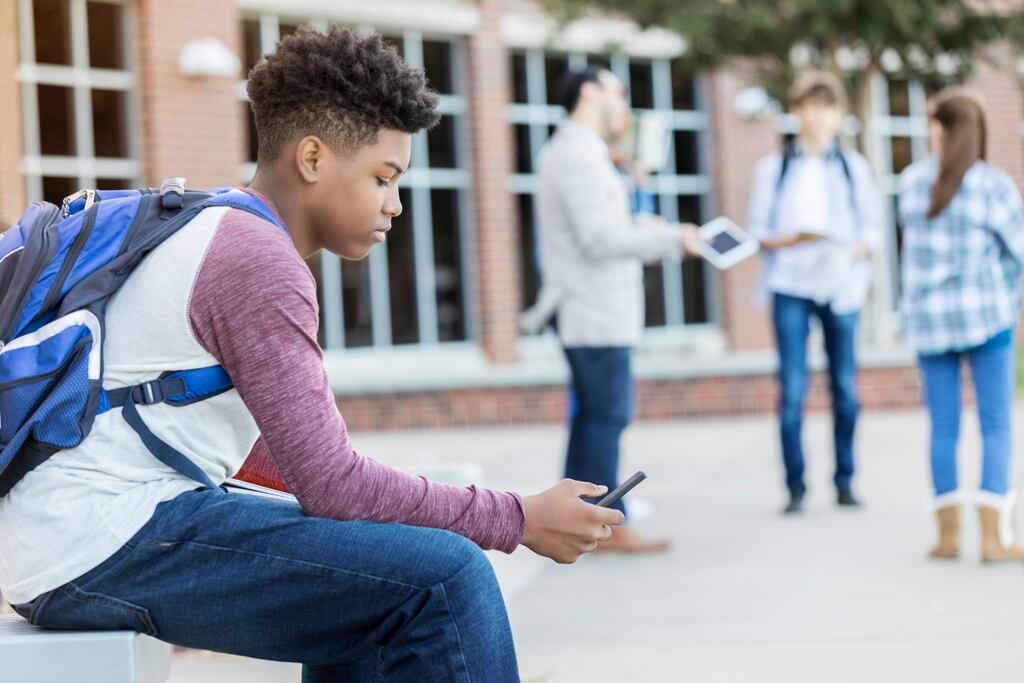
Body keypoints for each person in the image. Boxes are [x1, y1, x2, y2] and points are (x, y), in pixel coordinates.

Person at [0, 27, 624, 681]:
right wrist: (517, 516)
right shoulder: (256, 259)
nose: (396, 203)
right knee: (446, 576)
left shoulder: (217, 226)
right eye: (384, 177)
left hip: (70, 542)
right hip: (100, 542)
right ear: (313, 158)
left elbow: (302, 470)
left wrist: (395, 507)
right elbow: (335, 486)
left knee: (379, 571)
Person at [522, 66, 703, 553]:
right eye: (618, 92)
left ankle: (580, 524)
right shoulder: (575, 155)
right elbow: (600, 239)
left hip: (596, 309)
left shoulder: (585, 154)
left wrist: (648, 215)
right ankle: (607, 528)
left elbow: (609, 228)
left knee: (594, 418)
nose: (624, 103)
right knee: (607, 415)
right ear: (588, 92)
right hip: (592, 310)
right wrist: (670, 236)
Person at [745, 71, 883, 515]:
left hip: (839, 286)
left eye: (827, 108)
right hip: (790, 285)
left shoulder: (852, 167)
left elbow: (873, 229)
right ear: (797, 112)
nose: (819, 117)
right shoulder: (775, 168)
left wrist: (853, 248)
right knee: (793, 388)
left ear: (838, 115)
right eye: (811, 107)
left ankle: (845, 480)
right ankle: (796, 485)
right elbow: (757, 231)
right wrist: (790, 240)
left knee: (844, 386)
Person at [897, 89, 1024, 562]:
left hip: (930, 324)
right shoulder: (993, 186)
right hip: (986, 319)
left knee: (943, 425)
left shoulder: (911, 185)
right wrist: (1006, 298)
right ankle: (995, 538)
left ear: (942, 130)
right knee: (995, 424)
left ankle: (948, 537)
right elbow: (1019, 255)